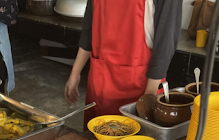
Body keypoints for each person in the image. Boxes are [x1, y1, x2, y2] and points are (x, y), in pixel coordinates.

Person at [64, 0, 182, 128]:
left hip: (140, 89)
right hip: (99, 84)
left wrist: (147, 101)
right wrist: (74, 74)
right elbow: (89, 30)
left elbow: (165, 44)